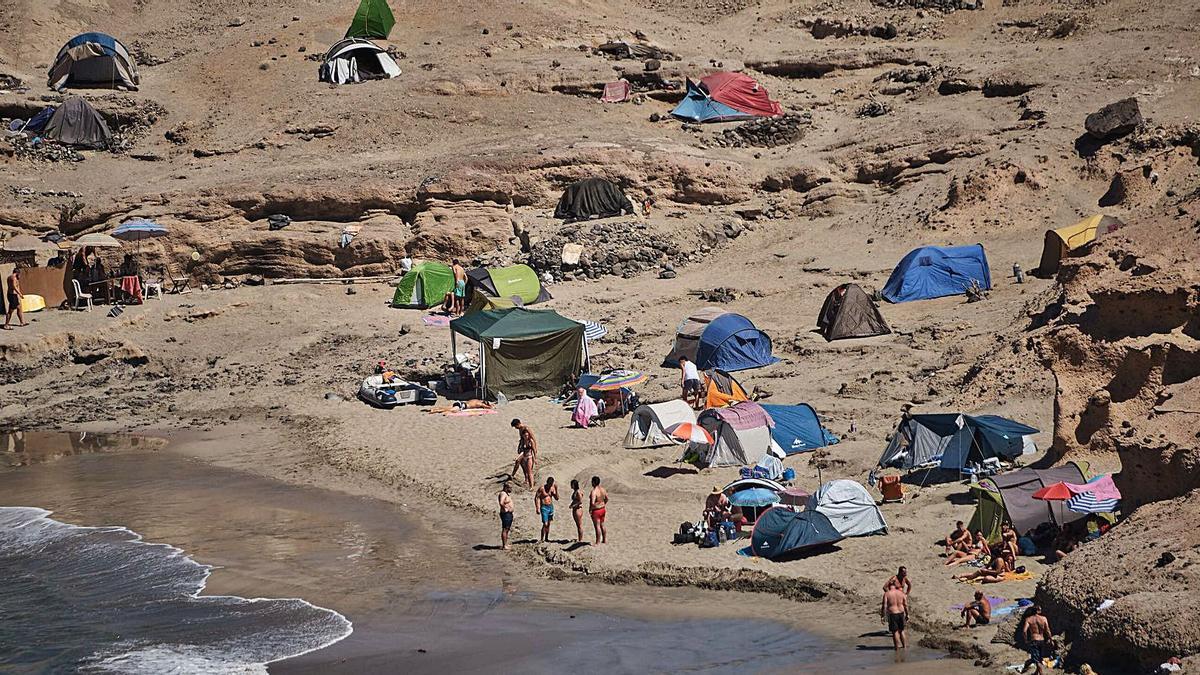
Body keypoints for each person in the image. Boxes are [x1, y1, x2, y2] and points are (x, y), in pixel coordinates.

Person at [1022, 605, 1052, 675]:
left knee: (1037, 660)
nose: (1041, 610)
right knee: (1039, 658)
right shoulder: (1044, 618)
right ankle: (1036, 673)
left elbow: (1024, 631)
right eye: (1040, 609)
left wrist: (1026, 639)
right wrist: (1050, 639)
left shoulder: (1028, 619)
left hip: (1034, 640)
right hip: (1042, 640)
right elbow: (1048, 630)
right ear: (1038, 611)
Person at [881, 579, 908, 651]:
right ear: (895, 585)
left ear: (889, 586)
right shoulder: (901, 593)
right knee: (901, 630)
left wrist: (883, 616)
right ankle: (904, 647)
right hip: (901, 613)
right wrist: (907, 614)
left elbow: (884, 606)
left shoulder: (887, 594)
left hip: (893, 614)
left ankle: (897, 649)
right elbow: (905, 605)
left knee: (895, 632)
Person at [509, 419, 537, 489]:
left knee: (529, 468)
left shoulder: (526, 428)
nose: (516, 428)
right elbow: (522, 439)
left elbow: (533, 438)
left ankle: (531, 485)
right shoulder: (520, 430)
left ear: (518, 424)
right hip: (523, 448)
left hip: (528, 448)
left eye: (515, 426)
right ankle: (525, 478)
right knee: (519, 462)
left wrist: (535, 450)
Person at [535, 477, 558, 543]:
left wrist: (556, 490)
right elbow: (537, 498)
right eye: (549, 484)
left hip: (550, 507)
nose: (550, 485)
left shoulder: (552, 488)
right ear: (547, 482)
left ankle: (546, 538)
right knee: (545, 523)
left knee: (549, 524)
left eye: (551, 484)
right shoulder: (542, 488)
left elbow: (557, 498)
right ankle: (542, 538)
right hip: (544, 507)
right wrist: (537, 507)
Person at [3, 265, 26, 330]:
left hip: (12, 295)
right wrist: (20, 294)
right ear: (17, 273)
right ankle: (6, 325)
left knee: (19, 307)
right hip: (12, 296)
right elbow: (14, 286)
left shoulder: (10, 277)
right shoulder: (14, 278)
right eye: (19, 274)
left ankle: (22, 322)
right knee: (10, 311)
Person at [589, 475, 608, 544]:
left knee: (597, 526)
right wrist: (603, 504)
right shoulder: (603, 489)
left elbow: (592, 503)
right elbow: (607, 499)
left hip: (596, 511)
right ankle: (604, 540)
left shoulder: (593, 492)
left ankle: (597, 542)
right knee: (602, 524)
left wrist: (590, 510)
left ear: (593, 482)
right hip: (603, 509)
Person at [497, 482, 514, 550]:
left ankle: (505, 544)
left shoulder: (506, 494)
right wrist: (505, 508)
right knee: (505, 529)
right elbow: (501, 502)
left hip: (508, 514)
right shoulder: (503, 494)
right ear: (506, 487)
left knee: (507, 529)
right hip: (506, 514)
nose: (511, 489)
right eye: (510, 488)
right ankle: (504, 545)